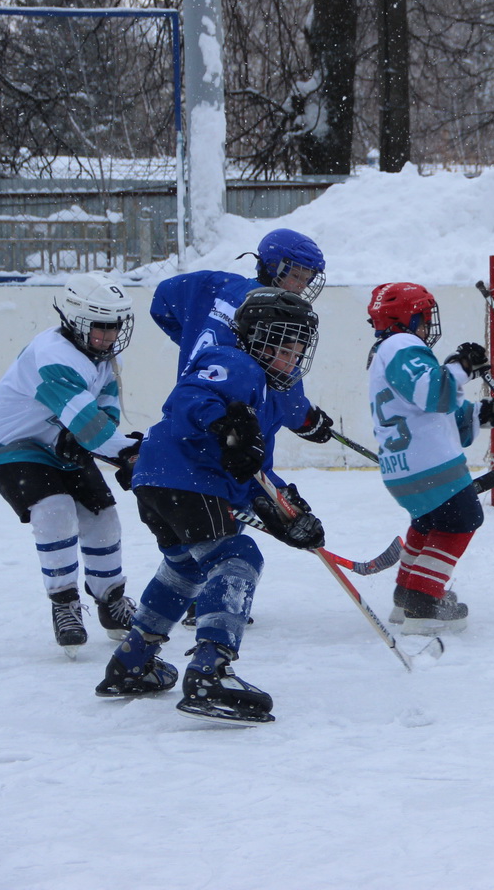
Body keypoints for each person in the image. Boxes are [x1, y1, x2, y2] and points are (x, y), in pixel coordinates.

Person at [94, 287, 327, 724]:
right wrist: (224, 423)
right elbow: (189, 398)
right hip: (186, 478)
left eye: (298, 351)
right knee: (237, 557)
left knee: (185, 568)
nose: (293, 360)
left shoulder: (266, 399)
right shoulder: (235, 361)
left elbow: (251, 469)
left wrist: (287, 510)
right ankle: (210, 671)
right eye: (285, 349)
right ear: (258, 340)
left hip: (160, 481)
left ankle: (133, 660)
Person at [0, 273, 143, 655]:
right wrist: (131, 453)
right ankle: (65, 604)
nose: (109, 336)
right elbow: (93, 430)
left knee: (103, 516)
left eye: (115, 326)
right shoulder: (54, 356)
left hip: (59, 444)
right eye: (101, 326)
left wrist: (106, 442)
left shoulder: (104, 356)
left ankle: (111, 602)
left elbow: (105, 410)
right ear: (75, 319)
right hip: (12, 447)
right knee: (54, 510)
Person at [364, 282, 494, 634]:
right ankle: (423, 601)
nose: (426, 327)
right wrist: (460, 366)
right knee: (462, 519)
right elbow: (433, 393)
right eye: (422, 318)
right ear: (406, 318)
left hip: (403, 469)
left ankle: (406, 595)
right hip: (429, 464)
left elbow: (433, 411)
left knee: (430, 523)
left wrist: (486, 412)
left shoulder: (385, 353)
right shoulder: (401, 344)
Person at [150, 227, 333, 444]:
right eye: (296, 276)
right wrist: (306, 420)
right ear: (273, 266)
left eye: (307, 279)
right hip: (233, 433)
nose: (302, 286)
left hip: (187, 415)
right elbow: (283, 381)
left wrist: (191, 339)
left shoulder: (219, 284)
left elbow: (163, 299)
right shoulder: (276, 315)